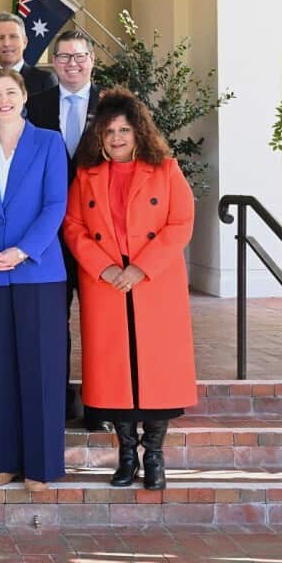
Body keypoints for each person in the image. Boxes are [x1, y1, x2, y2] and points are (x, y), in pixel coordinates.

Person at [63, 87, 197, 491]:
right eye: (109, 132)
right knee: (114, 373)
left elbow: (181, 223)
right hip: (105, 285)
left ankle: (154, 458)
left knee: (156, 373)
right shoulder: (86, 176)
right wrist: (104, 268)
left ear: (139, 132)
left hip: (154, 283)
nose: (117, 138)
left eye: (124, 130)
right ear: (98, 138)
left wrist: (141, 267)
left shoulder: (166, 169)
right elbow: (73, 227)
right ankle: (125, 458)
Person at [0, 69, 69, 492]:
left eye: (11, 92)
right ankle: (2, 461)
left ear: (25, 96)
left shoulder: (48, 142)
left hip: (38, 270)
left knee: (42, 369)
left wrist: (23, 250)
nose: (3, 99)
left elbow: (55, 205)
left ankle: (41, 467)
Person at [27, 29, 110, 433]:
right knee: (52, 323)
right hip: (51, 236)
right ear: (53, 63)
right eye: (63, 57)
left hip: (100, 236)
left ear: (92, 60)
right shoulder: (37, 105)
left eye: (79, 57)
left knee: (99, 323)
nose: (72, 64)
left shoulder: (112, 107)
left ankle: (100, 406)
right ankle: (57, 403)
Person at [0, 12, 57, 95]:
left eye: (13, 36)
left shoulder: (45, 81)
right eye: (0, 38)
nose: (6, 43)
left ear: (25, 42)